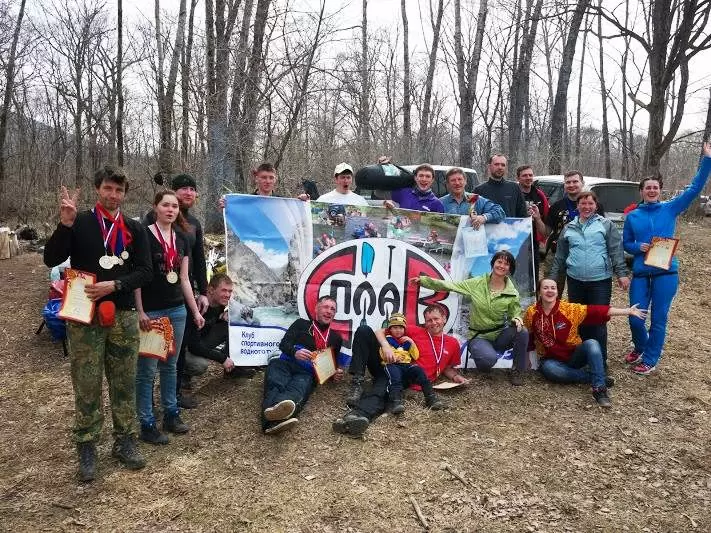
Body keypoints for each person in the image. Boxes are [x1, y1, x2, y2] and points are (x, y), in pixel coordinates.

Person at [43, 165, 152, 482]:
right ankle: (87, 445)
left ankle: (125, 440)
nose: (113, 195)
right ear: (97, 189)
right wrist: (64, 225)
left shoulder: (134, 228)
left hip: (124, 315)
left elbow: (146, 271)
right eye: (108, 188)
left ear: (124, 194)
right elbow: (51, 259)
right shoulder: (80, 222)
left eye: (119, 190)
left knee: (124, 382)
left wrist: (115, 285)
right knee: (87, 383)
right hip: (85, 317)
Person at [623, 142, 711, 375]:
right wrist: (638, 247)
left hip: (666, 273)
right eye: (647, 188)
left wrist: (707, 160)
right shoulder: (633, 216)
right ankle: (641, 347)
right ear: (641, 191)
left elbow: (694, 189)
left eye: (655, 187)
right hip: (641, 274)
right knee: (635, 317)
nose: (651, 190)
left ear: (660, 190)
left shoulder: (670, 208)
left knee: (659, 319)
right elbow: (626, 244)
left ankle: (650, 359)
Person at [134, 191, 205, 444]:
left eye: (174, 206)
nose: (171, 210)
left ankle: (171, 414)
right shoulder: (143, 236)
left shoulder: (182, 238)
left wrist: (194, 311)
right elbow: (138, 278)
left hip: (177, 310)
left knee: (170, 365)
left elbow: (184, 278)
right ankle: (146, 422)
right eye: (165, 205)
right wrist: (140, 311)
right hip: (152, 312)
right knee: (147, 370)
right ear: (155, 207)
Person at [335, 304, 468, 438]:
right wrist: (386, 346)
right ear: (425, 322)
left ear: (444, 318)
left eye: (436, 319)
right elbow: (379, 332)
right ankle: (357, 383)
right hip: (388, 363)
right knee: (364, 330)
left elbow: (447, 367)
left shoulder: (452, 343)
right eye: (429, 320)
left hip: (407, 373)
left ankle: (356, 416)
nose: (433, 323)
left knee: (383, 388)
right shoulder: (415, 331)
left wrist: (456, 377)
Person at [524, 278, 647, 407]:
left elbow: (598, 310)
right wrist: (529, 359)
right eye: (545, 288)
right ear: (539, 291)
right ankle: (595, 377)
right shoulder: (531, 313)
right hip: (552, 360)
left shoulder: (569, 309)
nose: (549, 291)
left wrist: (628, 311)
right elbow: (529, 335)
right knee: (549, 369)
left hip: (574, 356)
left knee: (592, 343)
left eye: (553, 288)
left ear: (557, 291)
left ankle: (599, 389)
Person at [412, 250, 529, 385]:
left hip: (500, 335)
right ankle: (483, 354)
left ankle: (517, 371)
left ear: (510, 268)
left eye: (506, 264)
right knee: (487, 361)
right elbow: (451, 286)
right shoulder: (477, 283)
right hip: (479, 336)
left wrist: (516, 318)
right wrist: (424, 281)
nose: (502, 266)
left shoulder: (512, 292)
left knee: (522, 331)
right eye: (499, 262)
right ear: (493, 263)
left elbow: (515, 312)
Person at [145, 173, 209, 410]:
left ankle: (175, 393)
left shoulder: (194, 225)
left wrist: (203, 291)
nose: (188, 192)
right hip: (155, 298)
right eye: (183, 188)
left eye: (192, 188)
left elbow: (199, 261)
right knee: (152, 351)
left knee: (178, 350)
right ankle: (148, 401)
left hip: (183, 294)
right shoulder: (152, 220)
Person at [549, 191, 629, 367]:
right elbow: (560, 257)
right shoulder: (569, 228)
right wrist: (552, 279)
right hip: (575, 280)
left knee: (598, 320)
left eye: (590, 204)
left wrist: (622, 273)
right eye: (583, 204)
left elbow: (616, 251)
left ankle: (600, 363)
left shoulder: (606, 225)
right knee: (579, 318)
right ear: (577, 206)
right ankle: (583, 358)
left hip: (600, 281)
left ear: (596, 206)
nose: (586, 207)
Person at [261, 296, 344, 435]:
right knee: (275, 383)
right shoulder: (301, 324)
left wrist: (334, 374)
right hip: (285, 362)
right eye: (325, 307)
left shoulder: (336, 338)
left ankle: (271, 421)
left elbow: (331, 366)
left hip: (307, 373)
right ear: (316, 308)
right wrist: (295, 352)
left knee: (299, 390)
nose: (329, 311)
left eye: (332, 309)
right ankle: (274, 421)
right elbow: (284, 344)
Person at [182, 273, 256, 381]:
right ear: (211, 290)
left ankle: (233, 369)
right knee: (200, 365)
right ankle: (183, 375)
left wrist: (223, 317)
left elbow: (209, 324)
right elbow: (194, 346)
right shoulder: (198, 306)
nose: (227, 295)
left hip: (201, 341)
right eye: (224, 290)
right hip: (186, 348)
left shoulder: (219, 305)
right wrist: (222, 358)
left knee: (230, 325)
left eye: (230, 291)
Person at [544, 170, 605, 292]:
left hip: (584, 254)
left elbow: (602, 231)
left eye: (575, 181)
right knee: (551, 291)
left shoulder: (594, 206)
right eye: (568, 182)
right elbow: (546, 232)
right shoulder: (556, 206)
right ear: (564, 185)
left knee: (580, 294)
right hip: (557, 254)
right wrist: (536, 218)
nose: (571, 185)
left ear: (582, 183)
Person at [378, 313, 441, 415]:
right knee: (395, 379)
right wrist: (393, 358)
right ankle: (395, 402)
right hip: (392, 365)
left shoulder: (406, 341)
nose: (398, 330)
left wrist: (412, 342)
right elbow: (382, 354)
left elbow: (415, 356)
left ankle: (431, 398)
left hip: (406, 365)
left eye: (401, 328)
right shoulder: (388, 340)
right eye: (395, 328)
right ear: (390, 329)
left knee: (419, 370)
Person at [439, 167, 506, 226]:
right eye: (453, 180)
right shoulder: (441, 203)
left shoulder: (473, 199)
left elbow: (500, 212)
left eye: (460, 179)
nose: (457, 183)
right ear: (447, 184)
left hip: (471, 236)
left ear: (465, 181)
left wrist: (484, 218)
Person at [516, 165, 549, 281]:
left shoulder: (539, 195)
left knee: (532, 273)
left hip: (533, 240)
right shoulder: (513, 193)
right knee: (515, 272)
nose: (528, 178)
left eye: (530, 175)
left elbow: (545, 217)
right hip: (515, 239)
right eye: (524, 175)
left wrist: (542, 238)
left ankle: (532, 292)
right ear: (518, 178)